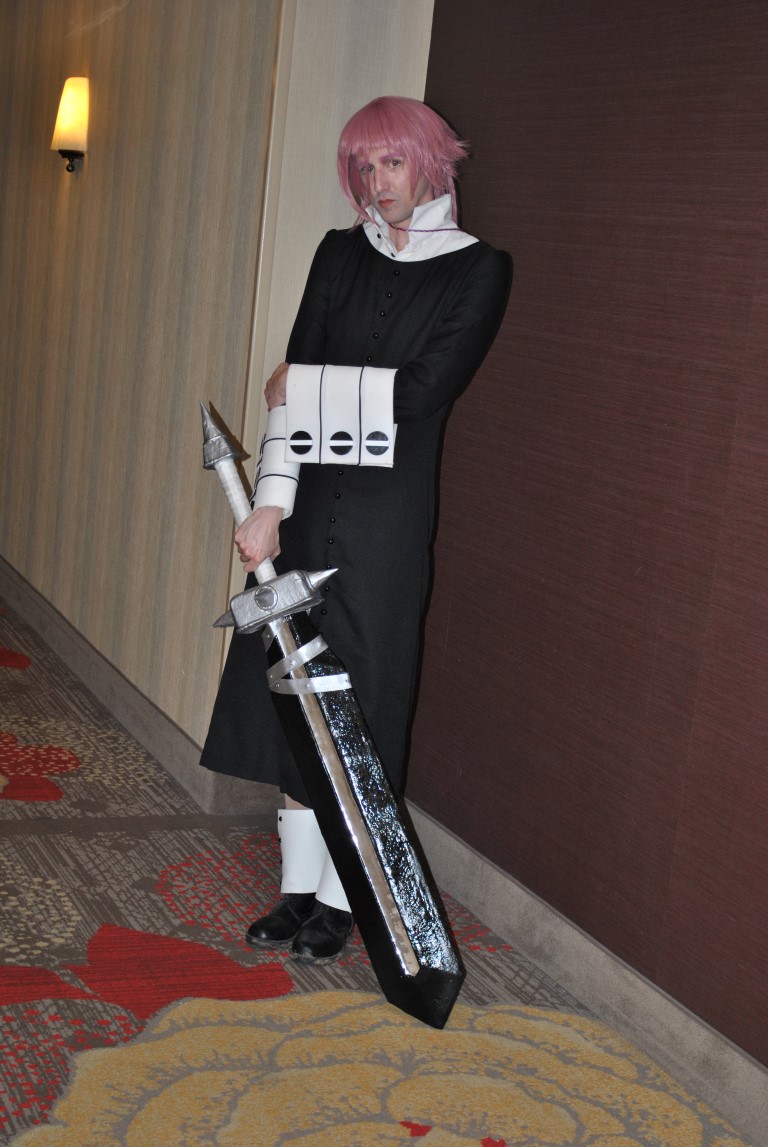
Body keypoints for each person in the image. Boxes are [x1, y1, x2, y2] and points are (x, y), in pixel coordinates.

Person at [200, 96, 511, 965]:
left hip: (385, 528)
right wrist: (269, 502)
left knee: (363, 703)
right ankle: (298, 890)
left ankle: (345, 898)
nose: (378, 182)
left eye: (393, 162)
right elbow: (290, 391)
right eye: (364, 167)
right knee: (289, 697)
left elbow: (421, 392)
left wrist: (302, 383)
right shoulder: (339, 254)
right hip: (307, 511)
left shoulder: (479, 269)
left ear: (432, 163)